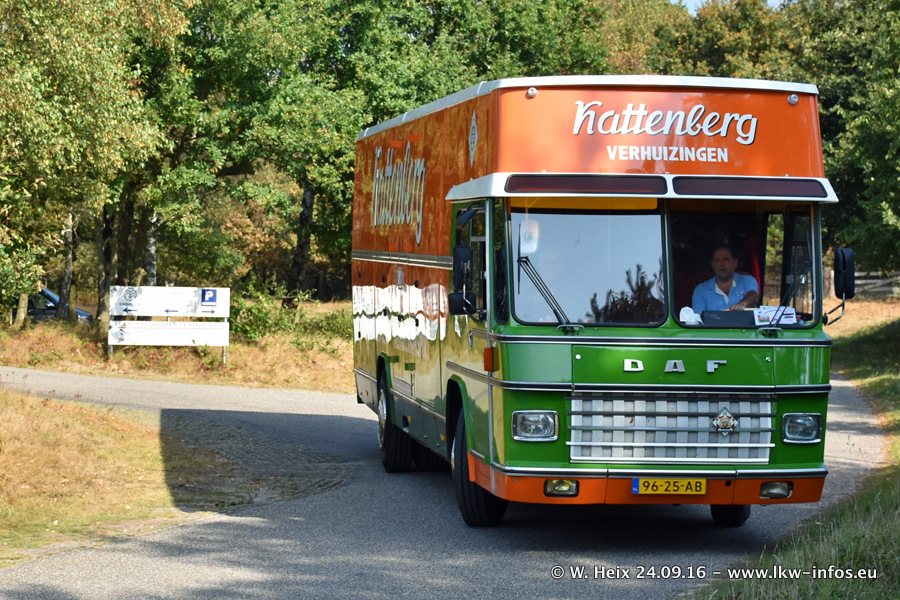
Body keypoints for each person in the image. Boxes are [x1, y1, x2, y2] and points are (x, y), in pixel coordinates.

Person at [692, 246, 759, 313]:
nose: (721, 264)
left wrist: (742, 305)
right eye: (717, 260)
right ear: (712, 265)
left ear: (735, 263)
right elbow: (698, 317)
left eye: (726, 259)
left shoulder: (747, 280)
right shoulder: (701, 290)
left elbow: (753, 296)